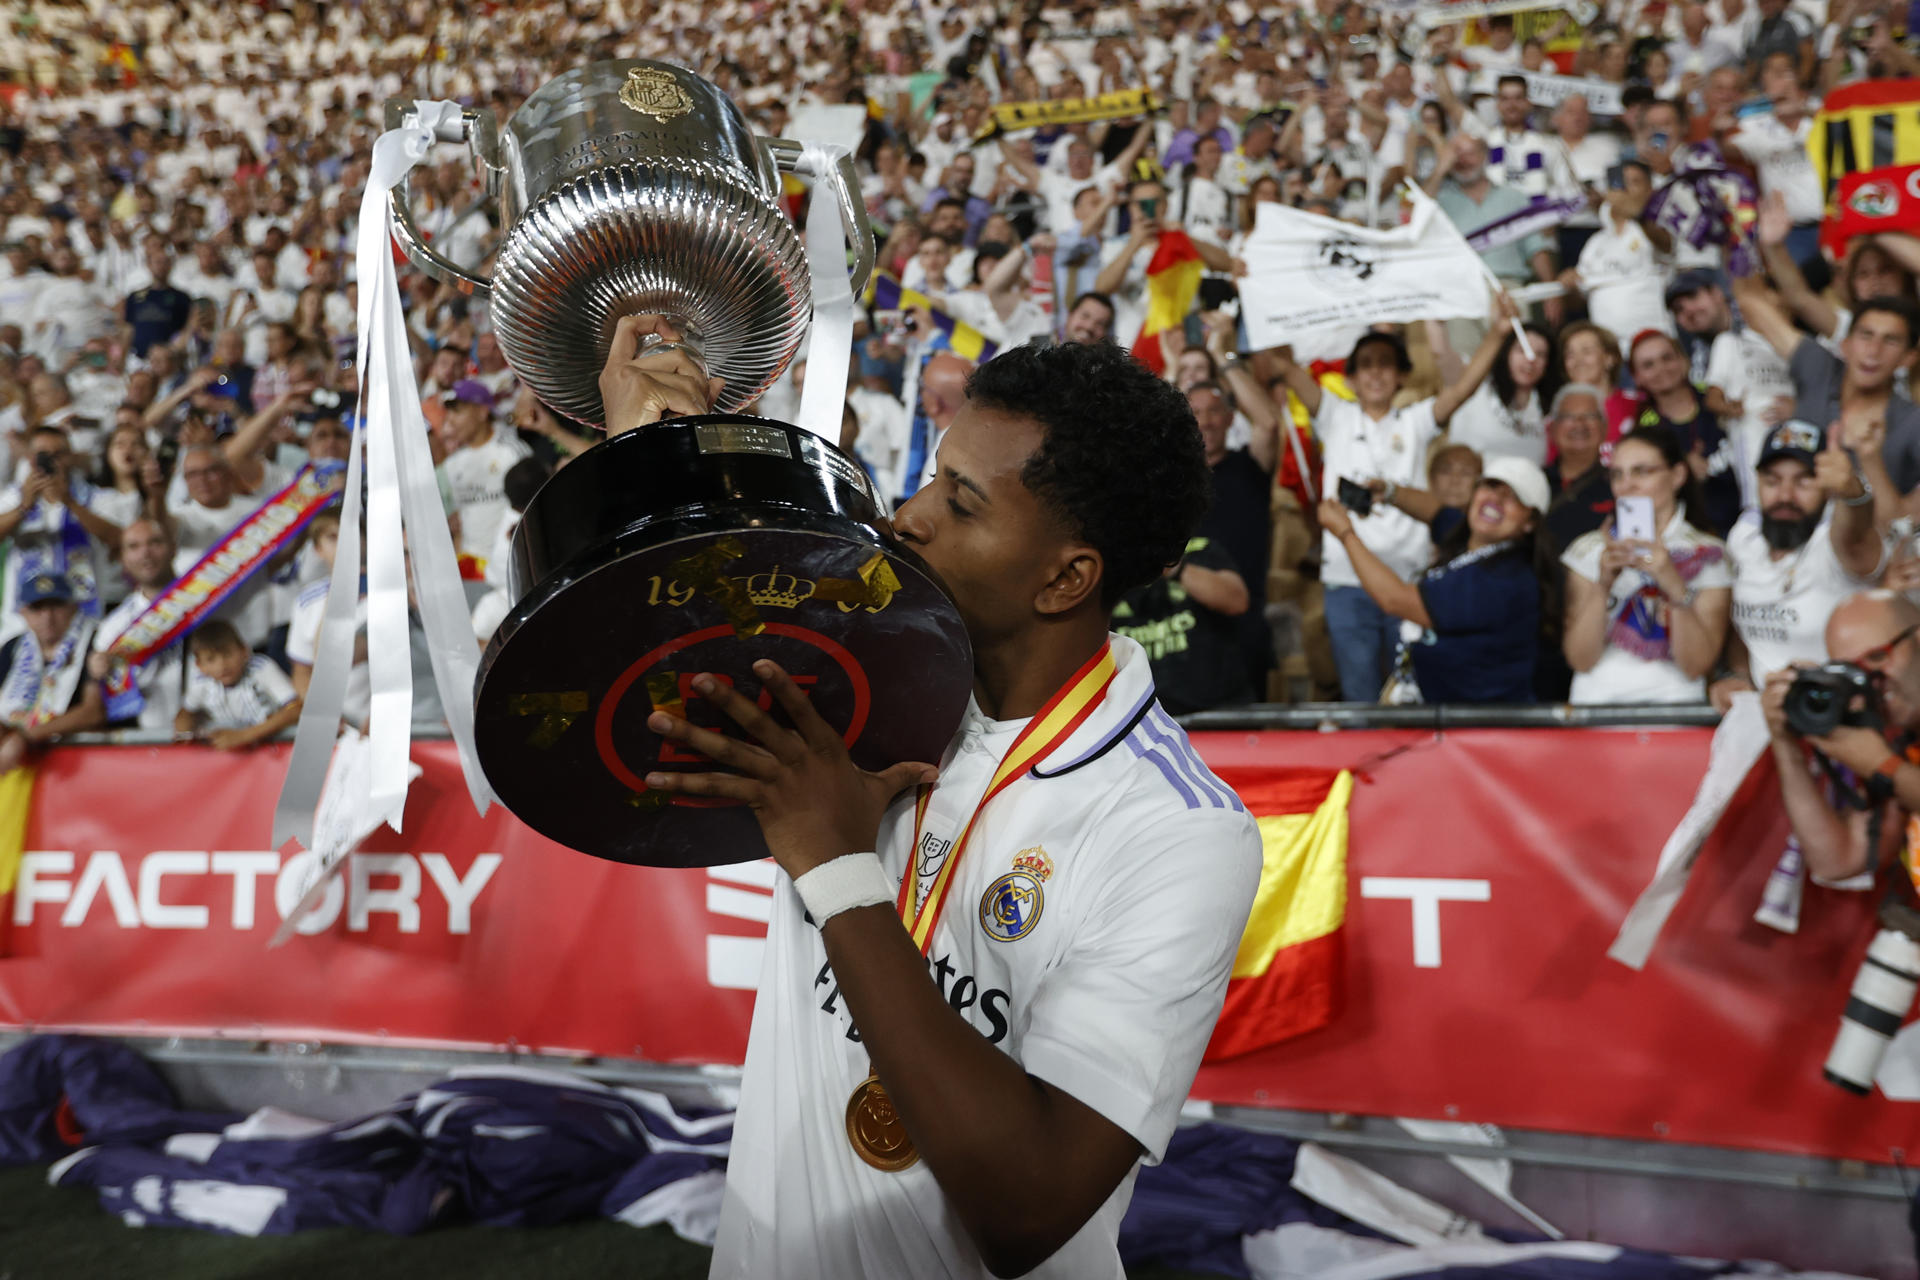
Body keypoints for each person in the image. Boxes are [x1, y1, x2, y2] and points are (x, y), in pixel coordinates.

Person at [603, 325, 1261, 1279]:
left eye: (961, 502)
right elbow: (627, 706)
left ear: (1066, 577)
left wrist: (837, 868)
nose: (909, 517)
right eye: (928, 475)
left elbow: (1028, 1205)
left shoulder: (1179, 829)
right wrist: (648, 459)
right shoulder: (861, 684)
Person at [1270, 305, 1515, 702]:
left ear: (1403, 374)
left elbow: (1464, 387)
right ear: (1349, 378)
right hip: (1348, 581)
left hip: (1409, 579)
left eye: (1386, 363)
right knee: (1361, 700)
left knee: (1411, 697)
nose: (1376, 372)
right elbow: (1285, 365)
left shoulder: (1416, 421)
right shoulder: (1334, 414)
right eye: (1365, 364)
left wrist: (1499, 332)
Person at [1319, 455, 1555, 704]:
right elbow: (1436, 512)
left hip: (1478, 728)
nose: (1495, 499)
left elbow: (1395, 600)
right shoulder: (1470, 540)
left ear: (1530, 522)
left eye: (1513, 497)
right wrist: (1389, 492)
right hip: (1442, 718)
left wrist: (1345, 534)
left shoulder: (1507, 579)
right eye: (1490, 486)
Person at [1710, 420, 1889, 711]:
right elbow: (1741, 624)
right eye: (1772, 481)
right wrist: (1738, 675)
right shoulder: (1745, 538)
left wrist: (1853, 493)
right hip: (1762, 717)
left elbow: (1855, 536)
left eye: (1804, 481)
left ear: (1826, 486)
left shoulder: (1834, 542)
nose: (1785, 496)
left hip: (1838, 715)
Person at [1562, 426, 1733, 704]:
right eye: (1617, 474)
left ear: (1677, 475)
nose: (1626, 485)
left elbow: (1696, 665)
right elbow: (1580, 660)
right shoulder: (1588, 549)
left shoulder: (1709, 553)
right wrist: (1603, 584)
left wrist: (1673, 582)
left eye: (1642, 472)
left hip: (1676, 705)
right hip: (1595, 704)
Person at [1762, 590, 1920, 885]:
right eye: (1851, 670)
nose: (1869, 681)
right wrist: (1787, 744)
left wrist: (1882, 766)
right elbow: (1838, 861)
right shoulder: (1896, 737)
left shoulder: (1884, 758)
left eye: (1876, 657)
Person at [1731, 283, 1920, 496]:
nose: (1874, 351)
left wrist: (1864, 476)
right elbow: (1750, 304)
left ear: (1908, 358)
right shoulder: (1820, 368)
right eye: (1866, 335)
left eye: (1891, 341)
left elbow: (1904, 519)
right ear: (1846, 344)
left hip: (1863, 529)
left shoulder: (1913, 423)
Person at [1110, 534, 1253, 715]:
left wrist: (1173, 566)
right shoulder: (1107, 563)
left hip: (1219, 710)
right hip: (1141, 717)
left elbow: (1237, 601)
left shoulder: (1200, 549)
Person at [1623, 330, 1741, 536]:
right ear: (1637, 377)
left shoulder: (1719, 401)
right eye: (1648, 365)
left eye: (1667, 358)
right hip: (1687, 538)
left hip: (1745, 522)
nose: (1661, 369)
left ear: (1684, 361)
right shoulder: (1642, 432)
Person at [0, 571, 105, 774]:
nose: (47, 616)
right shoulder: (13, 647)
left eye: (56, 605)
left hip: (80, 767)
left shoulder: (95, 641)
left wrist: (26, 736)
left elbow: (94, 712)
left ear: (73, 607)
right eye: (37, 608)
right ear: (24, 612)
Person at [90, 518, 188, 732]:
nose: (145, 553)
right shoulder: (113, 626)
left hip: (214, 734)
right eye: (133, 547)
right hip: (147, 738)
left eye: (154, 543)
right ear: (123, 559)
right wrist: (96, 672)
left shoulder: (207, 597)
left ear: (173, 548)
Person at [437, 378, 531, 575]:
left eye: (458, 411)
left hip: (508, 566)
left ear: (482, 411)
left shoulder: (511, 452)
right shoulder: (452, 465)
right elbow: (462, 522)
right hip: (469, 566)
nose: (450, 420)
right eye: (449, 412)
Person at [175, 619, 301, 751]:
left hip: (274, 753)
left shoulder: (262, 668)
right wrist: (184, 733)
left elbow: (295, 709)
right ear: (199, 666)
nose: (222, 666)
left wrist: (244, 736)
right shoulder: (200, 682)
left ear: (244, 651)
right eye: (211, 659)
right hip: (228, 761)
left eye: (227, 655)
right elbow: (185, 715)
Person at [1543, 384, 1617, 551]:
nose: (1579, 424)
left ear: (1604, 427)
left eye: (1590, 416)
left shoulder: (1619, 484)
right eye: (1568, 416)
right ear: (1553, 429)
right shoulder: (1533, 481)